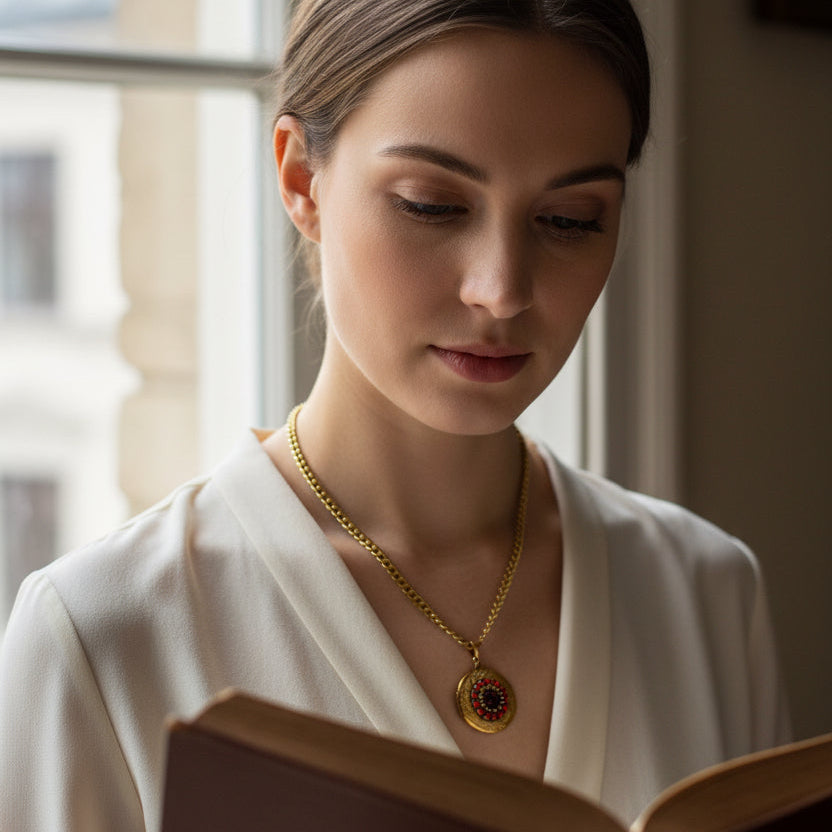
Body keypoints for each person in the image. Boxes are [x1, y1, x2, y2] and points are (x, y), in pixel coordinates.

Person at [0, 1, 790, 829]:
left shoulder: (706, 595)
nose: (502, 288)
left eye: (569, 220)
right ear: (302, 179)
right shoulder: (108, 634)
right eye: (431, 205)